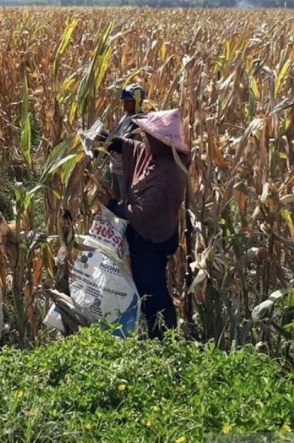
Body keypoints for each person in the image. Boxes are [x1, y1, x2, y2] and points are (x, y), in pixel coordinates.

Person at [97, 109, 189, 339]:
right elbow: (137, 150)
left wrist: (112, 205)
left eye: (150, 137)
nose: (145, 140)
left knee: (152, 291)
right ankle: (160, 332)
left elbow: (142, 214)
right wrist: (112, 142)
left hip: (152, 242)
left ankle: (163, 337)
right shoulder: (160, 158)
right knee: (153, 286)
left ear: (163, 142)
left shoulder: (168, 175)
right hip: (156, 239)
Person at [104, 83, 147, 202]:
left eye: (128, 101)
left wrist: (112, 141)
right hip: (116, 167)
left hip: (127, 172)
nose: (124, 103)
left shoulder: (141, 121)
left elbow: (133, 147)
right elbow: (118, 135)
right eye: (124, 100)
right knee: (115, 201)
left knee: (126, 204)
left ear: (137, 102)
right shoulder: (126, 117)